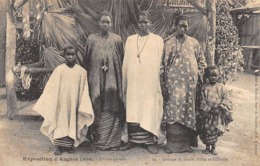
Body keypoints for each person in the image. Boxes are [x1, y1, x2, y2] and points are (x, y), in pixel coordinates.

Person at [33, 45, 94, 155]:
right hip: (61, 103)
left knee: (72, 121)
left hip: (75, 102)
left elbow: (84, 90)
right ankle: (58, 146)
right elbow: (52, 87)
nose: (71, 57)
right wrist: (53, 101)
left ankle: (69, 146)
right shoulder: (59, 70)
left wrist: (82, 103)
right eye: (68, 55)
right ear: (64, 55)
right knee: (60, 121)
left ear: (76, 55)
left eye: (73, 54)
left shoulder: (81, 72)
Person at [160, 14, 207, 153]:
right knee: (173, 113)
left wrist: (197, 75)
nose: (183, 29)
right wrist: (163, 83)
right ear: (175, 26)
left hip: (189, 87)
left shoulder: (194, 42)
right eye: (180, 26)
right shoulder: (168, 43)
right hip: (173, 86)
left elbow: (202, 62)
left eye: (185, 26)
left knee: (188, 112)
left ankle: (186, 145)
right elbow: (162, 64)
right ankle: (171, 145)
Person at [122, 11, 164, 154]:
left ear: (150, 23)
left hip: (149, 83)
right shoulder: (130, 40)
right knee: (133, 109)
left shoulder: (157, 40)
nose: (143, 25)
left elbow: (160, 63)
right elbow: (126, 63)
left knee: (148, 109)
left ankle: (149, 141)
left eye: (145, 22)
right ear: (137, 24)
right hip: (134, 82)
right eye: (140, 22)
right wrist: (125, 83)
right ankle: (132, 140)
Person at [83, 11, 125, 150]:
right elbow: (86, 61)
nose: (105, 24)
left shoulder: (117, 39)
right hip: (96, 80)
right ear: (98, 23)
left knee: (112, 106)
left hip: (113, 81)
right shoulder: (91, 39)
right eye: (103, 22)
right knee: (97, 105)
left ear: (111, 23)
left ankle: (112, 142)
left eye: (108, 22)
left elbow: (122, 59)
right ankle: (98, 142)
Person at [197, 66, 233, 155]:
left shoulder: (221, 87)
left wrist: (220, 107)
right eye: (211, 76)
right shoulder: (204, 87)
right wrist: (207, 109)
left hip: (218, 113)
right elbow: (201, 100)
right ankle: (207, 147)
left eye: (215, 75)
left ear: (219, 76)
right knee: (206, 129)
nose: (213, 78)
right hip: (207, 113)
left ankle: (213, 147)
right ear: (207, 77)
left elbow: (226, 99)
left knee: (215, 129)